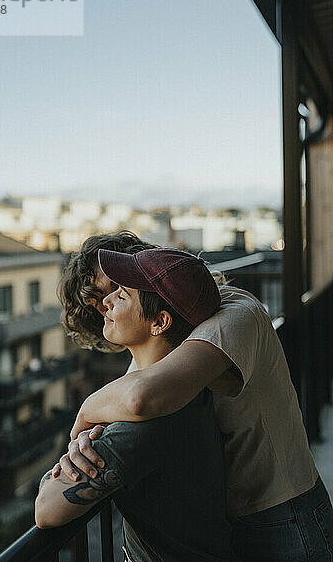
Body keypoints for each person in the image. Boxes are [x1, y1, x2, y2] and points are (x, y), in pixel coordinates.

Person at [53, 231, 333, 562]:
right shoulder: (156, 349)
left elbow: (142, 397)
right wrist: (82, 443)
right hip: (226, 525)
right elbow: (128, 404)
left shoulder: (233, 311)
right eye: (98, 299)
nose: (107, 304)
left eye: (118, 286)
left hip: (284, 514)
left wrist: (86, 411)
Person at [35, 247, 232, 562]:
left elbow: (46, 510)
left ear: (159, 322)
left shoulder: (144, 423)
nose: (107, 302)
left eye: (122, 295)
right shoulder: (190, 386)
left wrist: (58, 468)